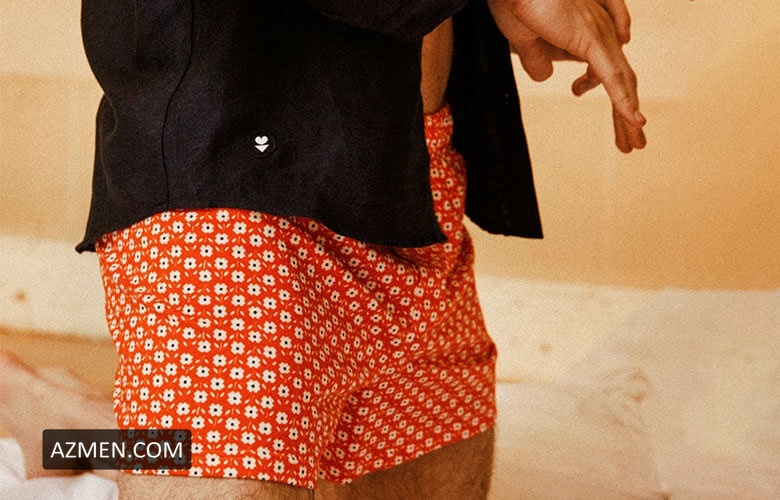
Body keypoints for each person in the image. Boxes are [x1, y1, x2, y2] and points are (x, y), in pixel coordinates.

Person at [1, 0, 647, 498]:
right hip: (237, 177)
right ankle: (45, 403)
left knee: (208, 446)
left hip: (414, 181)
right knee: (214, 455)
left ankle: (67, 423)